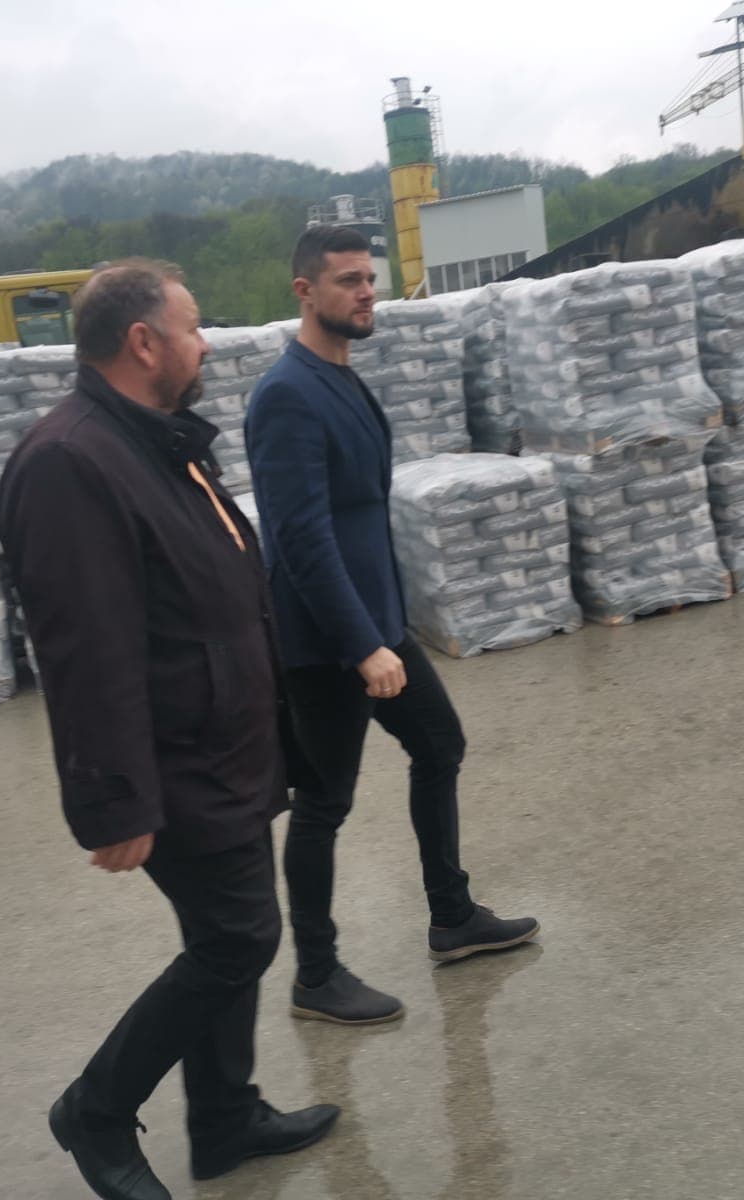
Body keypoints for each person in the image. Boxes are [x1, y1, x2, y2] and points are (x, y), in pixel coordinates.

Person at [0, 259, 338, 1200]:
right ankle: (96, 1111)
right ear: (142, 342)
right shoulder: (70, 462)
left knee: (228, 934)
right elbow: (85, 650)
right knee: (237, 940)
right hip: (175, 760)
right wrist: (115, 801)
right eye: (191, 328)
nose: (205, 344)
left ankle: (226, 1119)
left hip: (226, 743)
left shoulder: (156, 438)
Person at [245, 226, 539, 1027]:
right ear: (305, 292)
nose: (366, 292)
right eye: (348, 280)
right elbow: (300, 539)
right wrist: (361, 645)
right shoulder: (286, 395)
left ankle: (452, 916)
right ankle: (315, 975)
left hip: (376, 625)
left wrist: (387, 627)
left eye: (369, 278)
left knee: (440, 745)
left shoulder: (342, 378)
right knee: (324, 802)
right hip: (326, 642)